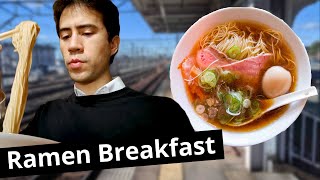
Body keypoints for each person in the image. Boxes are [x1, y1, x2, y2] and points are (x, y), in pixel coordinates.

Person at [18, 0, 194, 143]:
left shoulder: (164, 113)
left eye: (86, 33)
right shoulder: (45, 116)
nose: (73, 46)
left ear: (113, 45)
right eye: (65, 36)